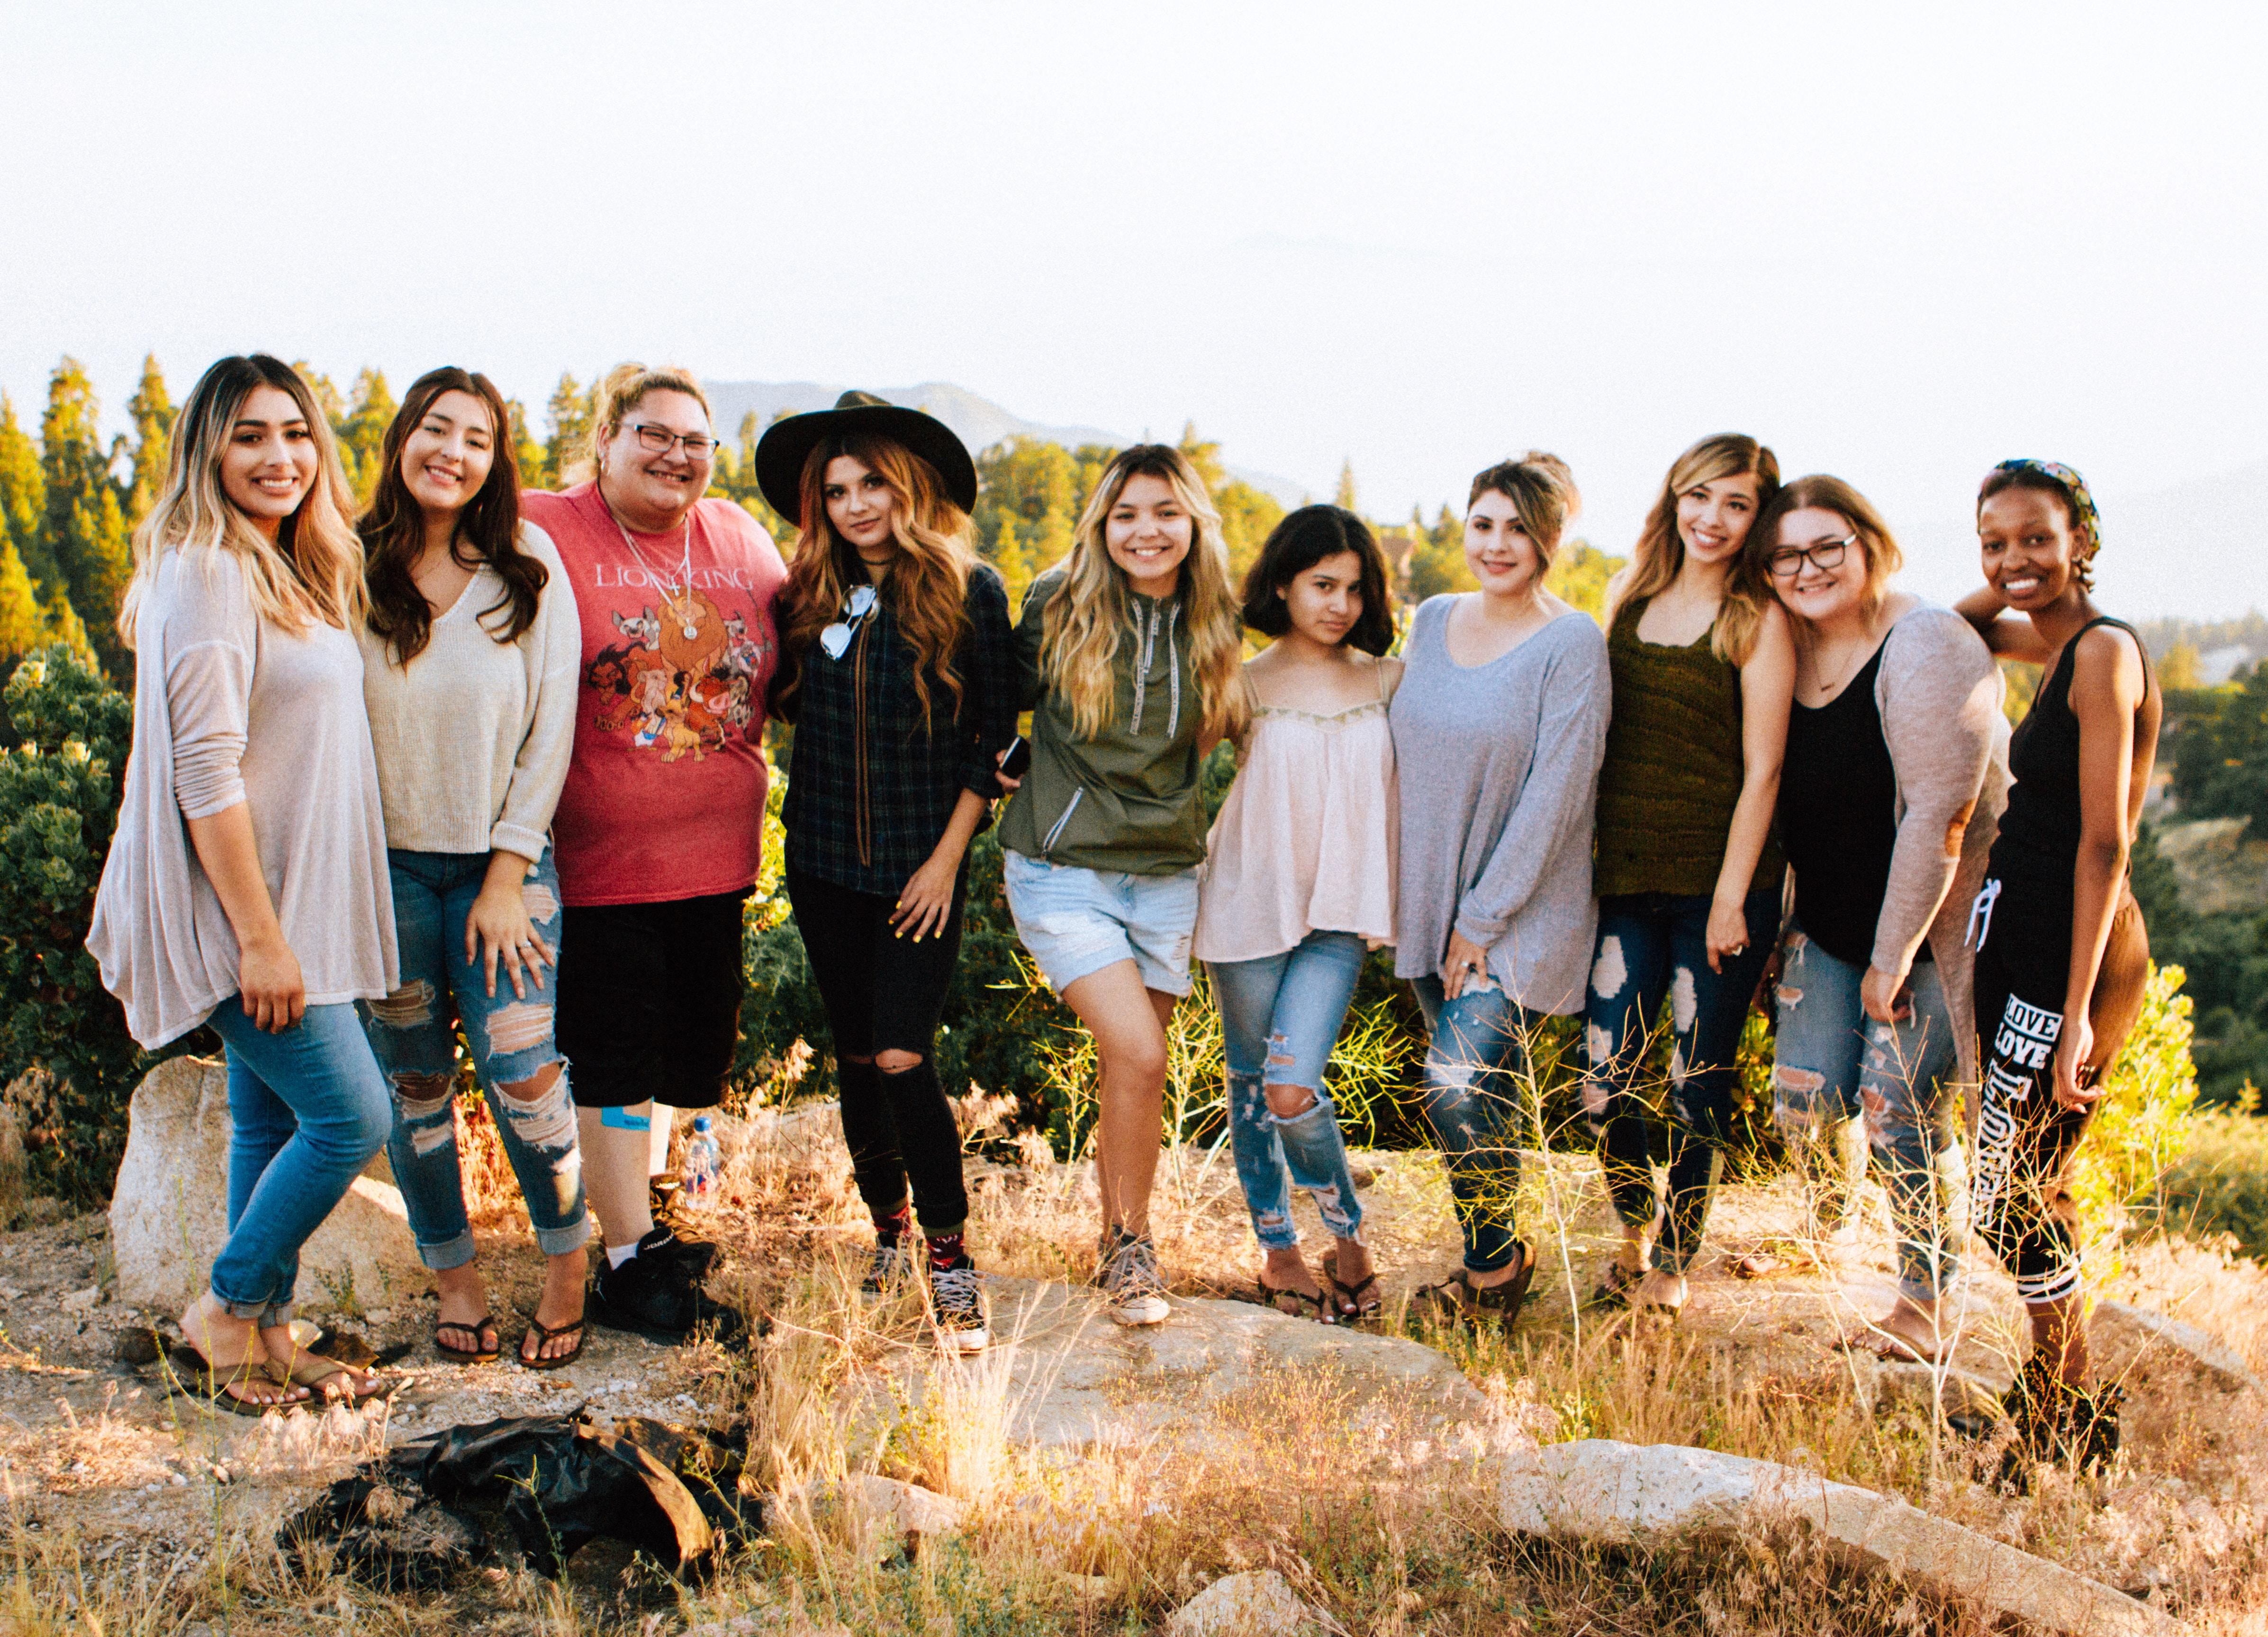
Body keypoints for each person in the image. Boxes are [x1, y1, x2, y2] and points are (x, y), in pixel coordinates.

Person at [88, 354, 396, 1411]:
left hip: (292, 903)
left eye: (296, 433)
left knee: (268, 1122)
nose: (280, 456)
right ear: (207, 450)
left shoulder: (279, 564)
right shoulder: (212, 568)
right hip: (247, 913)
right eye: (251, 435)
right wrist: (261, 940)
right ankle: (223, 1305)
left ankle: (262, 1334)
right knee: (355, 1118)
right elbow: (203, 769)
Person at [522, 364, 786, 1341]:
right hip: (603, 859)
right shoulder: (543, 523)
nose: (676, 455)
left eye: (695, 441)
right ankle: (629, 1259)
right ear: (604, 438)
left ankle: (653, 1225)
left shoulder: (742, 540)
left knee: (687, 1054)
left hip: (721, 856)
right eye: (654, 433)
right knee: (617, 1057)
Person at [758, 393, 1016, 1353]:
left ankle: (949, 1259)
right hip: (822, 865)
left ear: (908, 487)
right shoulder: (806, 594)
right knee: (859, 1058)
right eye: (836, 489)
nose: (857, 504)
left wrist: (948, 860)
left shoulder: (968, 589)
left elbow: (997, 742)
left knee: (906, 1053)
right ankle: (888, 1232)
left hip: (922, 872)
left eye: (873, 483)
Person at [355, 367, 588, 1368]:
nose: (451, 451)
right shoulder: (345, 565)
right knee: (414, 1088)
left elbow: (551, 734)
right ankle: (454, 1277)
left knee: (524, 1077)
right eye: (433, 428)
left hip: (505, 869)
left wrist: (504, 876)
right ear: (403, 438)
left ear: (497, 461)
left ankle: (568, 1268)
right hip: (379, 878)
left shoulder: (527, 564)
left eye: (476, 438)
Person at [1749, 476, 2007, 1363]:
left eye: (1829, 546)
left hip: (1928, 932)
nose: (1809, 568)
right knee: (1804, 1098)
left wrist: (1891, 957)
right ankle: (1831, 1240)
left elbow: (1942, 813)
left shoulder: (1925, 641)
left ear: (1869, 541)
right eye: (1787, 555)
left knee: (1898, 1108)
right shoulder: (1788, 642)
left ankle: (1927, 1303)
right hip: (1824, 923)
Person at [997, 444, 1247, 1326]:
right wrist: (1001, 762)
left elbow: (1223, 735)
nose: (1147, 532)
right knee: (1143, 1053)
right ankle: (1132, 1248)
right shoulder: (1059, 602)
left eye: (1166, 513)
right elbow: (995, 699)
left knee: (1131, 1070)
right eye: (1127, 514)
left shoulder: (1216, 617)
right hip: (1062, 869)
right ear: (1102, 523)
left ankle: (1123, 1243)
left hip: (1167, 874)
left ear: (1193, 524)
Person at [1955, 459, 2160, 1466]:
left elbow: (2106, 845)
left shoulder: (2105, 654)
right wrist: (2013, 583)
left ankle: (2068, 1399)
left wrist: (2076, 1009)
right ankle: (2057, 1387)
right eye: (1994, 542)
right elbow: (1952, 632)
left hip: (2066, 953)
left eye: (2037, 537)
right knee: (2012, 1176)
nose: (2013, 561)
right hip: (2023, 938)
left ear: (2083, 534)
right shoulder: (2055, 638)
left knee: (2014, 1183)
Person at [1392, 453, 1610, 1327]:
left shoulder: (1572, 642)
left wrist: (1481, 919)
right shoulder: (1432, 617)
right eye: (1484, 523)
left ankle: (1496, 1263)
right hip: (1430, 905)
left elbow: (1558, 794)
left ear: (1551, 539)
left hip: (1518, 911)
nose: (1498, 543)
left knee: (1453, 1083)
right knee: (1478, 1097)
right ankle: (1494, 1268)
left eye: (1520, 527)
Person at [1582, 434, 1791, 1317]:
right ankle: (1632, 1225)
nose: (1712, 518)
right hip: (1623, 877)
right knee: (1603, 1076)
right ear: (1674, 498)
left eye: (1736, 504)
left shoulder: (1759, 620)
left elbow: (1765, 773)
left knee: (1695, 1076)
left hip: (1718, 886)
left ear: (1758, 517)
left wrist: (1734, 899)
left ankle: (1673, 1256)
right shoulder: (1628, 598)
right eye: (1699, 496)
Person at [1195, 505, 1399, 1322]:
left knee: (1289, 1088)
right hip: (1245, 905)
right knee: (1252, 1088)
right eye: (1323, 585)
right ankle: (1279, 1252)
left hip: (1338, 918)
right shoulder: (1241, 682)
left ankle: (1348, 1239)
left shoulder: (1391, 680)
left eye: (1355, 589)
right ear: (1284, 584)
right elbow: (1163, 779)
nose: (1340, 605)